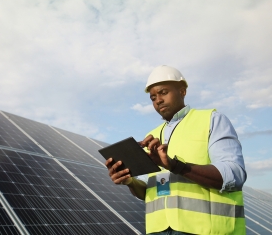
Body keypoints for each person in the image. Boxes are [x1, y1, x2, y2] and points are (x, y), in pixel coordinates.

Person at [105, 65, 247, 235]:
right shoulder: (152, 135)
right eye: (153, 97)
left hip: (208, 231)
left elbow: (234, 174)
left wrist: (176, 166)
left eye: (163, 92)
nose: (158, 100)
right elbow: (150, 192)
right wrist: (129, 181)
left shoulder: (211, 120)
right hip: (159, 231)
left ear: (182, 91)